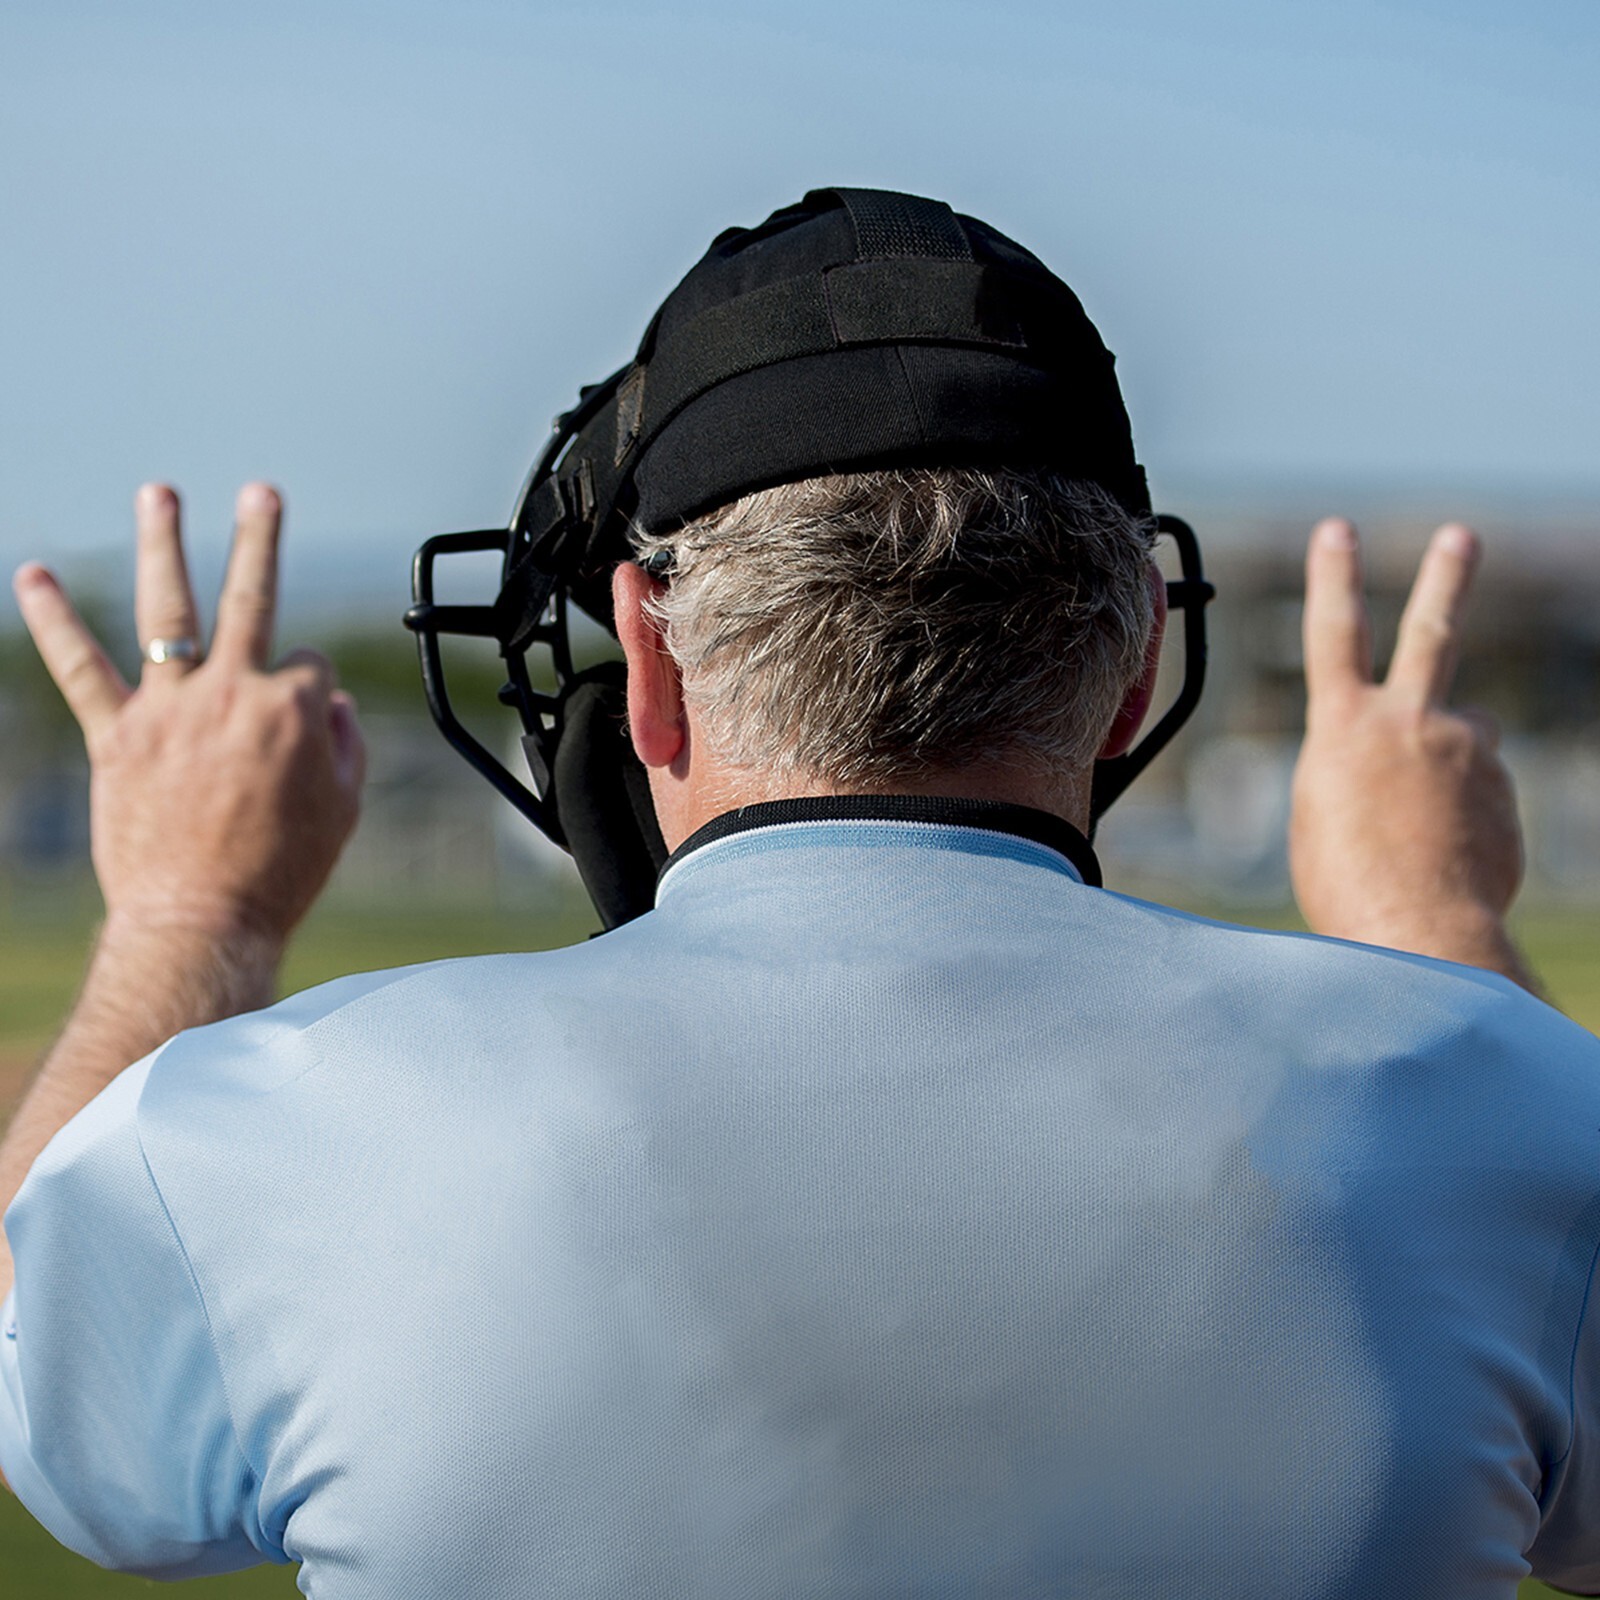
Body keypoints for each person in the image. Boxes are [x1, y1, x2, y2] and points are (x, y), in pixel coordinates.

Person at [0, 189, 1594, 1598]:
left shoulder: (293, 1129)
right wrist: (1436, 924)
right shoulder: (1504, 1103)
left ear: (648, 659)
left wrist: (187, 918)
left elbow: (50, 1392)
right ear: (1135, 675)